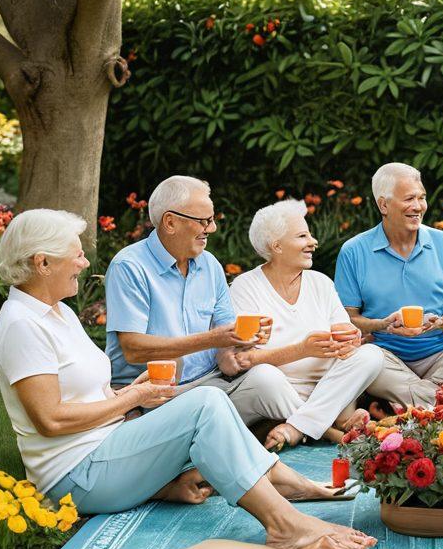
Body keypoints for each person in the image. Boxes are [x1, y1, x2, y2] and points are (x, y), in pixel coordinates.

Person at [0, 210, 374, 549]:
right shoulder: (23, 325)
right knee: (206, 403)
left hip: (105, 449)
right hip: (75, 476)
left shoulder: (57, 314)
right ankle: (284, 526)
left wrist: (127, 393)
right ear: (41, 263)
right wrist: (133, 398)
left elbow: (83, 395)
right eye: (75, 255)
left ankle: (280, 481)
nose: (84, 262)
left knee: (212, 407)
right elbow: (51, 421)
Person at [104, 175, 303, 448]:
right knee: (209, 412)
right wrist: (214, 339)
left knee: (268, 379)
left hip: (212, 381)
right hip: (155, 394)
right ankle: (311, 432)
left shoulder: (209, 264)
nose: (213, 228)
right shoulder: (129, 266)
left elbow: (225, 343)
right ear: (170, 222)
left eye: (212, 218)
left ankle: (301, 429)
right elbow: (133, 349)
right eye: (204, 220)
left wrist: (244, 339)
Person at [335, 162, 443, 410]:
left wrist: (440, 322)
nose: (418, 206)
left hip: (441, 356)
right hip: (385, 358)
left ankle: (403, 402)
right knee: (361, 362)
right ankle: (440, 404)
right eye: (409, 198)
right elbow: (347, 318)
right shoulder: (354, 251)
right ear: (383, 205)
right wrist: (383, 325)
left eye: (421, 198)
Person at [229, 200, 384, 449]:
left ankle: (297, 427)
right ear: (276, 246)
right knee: (264, 377)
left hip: (329, 388)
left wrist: (350, 341)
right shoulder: (245, 287)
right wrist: (302, 350)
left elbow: (344, 336)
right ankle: (332, 429)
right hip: (281, 392)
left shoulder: (320, 282)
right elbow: (242, 361)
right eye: (302, 236)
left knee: (371, 355)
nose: (313, 242)